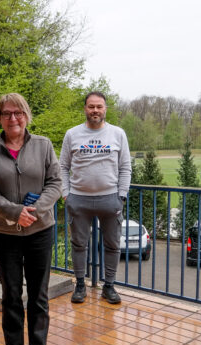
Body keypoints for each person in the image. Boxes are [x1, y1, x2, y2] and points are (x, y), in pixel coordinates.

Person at [0, 93, 61, 345]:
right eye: (7, 113)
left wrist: (34, 210)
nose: (13, 118)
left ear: (27, 116)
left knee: (38, 295)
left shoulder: (44, 145)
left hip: (40, 230)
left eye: (18, 113)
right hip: (5, 233)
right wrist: (14, 212)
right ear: (0, 118)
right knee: (11, 294)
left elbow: (55, 183)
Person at [60, 91, 132, 304]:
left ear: (105, 109)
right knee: (79, 244)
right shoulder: (72, 134)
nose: (95, 110)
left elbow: (125, 167)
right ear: (85, 109)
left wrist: (122, 196)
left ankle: (108, 286)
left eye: (99, 106)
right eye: (91, 106)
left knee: (112, 245)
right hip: (78, 200)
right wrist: (66, 194)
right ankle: (80, 284)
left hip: (110, 199)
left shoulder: (118, 134)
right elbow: (63, 166)